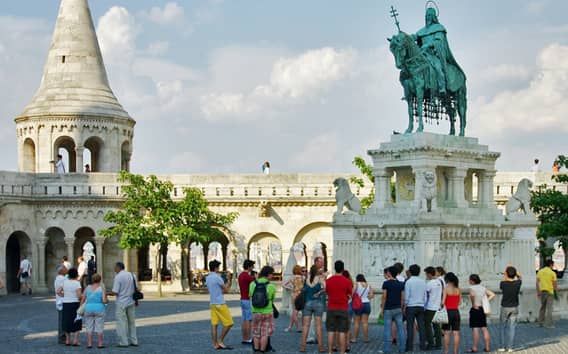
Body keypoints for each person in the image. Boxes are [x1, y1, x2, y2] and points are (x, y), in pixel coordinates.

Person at [413, 6, 464, 96]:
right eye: (426, 15)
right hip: (423, 54)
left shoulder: (439, 28)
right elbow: (415, 37)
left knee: (438, 68)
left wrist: (429, 44)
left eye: (429, 15)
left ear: (433, 17)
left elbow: (439, 41)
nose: (427, 17)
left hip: (434, 55)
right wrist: (405, 38)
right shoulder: (422, 30)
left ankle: (442, 87)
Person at [205, 259, 233, 350]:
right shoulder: (218, 278)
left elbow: (217, 290)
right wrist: (229, 280)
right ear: (216, 268)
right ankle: (220, 340)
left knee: (214, 324)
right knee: (229, 323)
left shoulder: (208, 278)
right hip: (220, 303)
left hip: (212, 303)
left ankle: (215, 344)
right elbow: (226, 290)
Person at [108, 262, 138, 347]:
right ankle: (134, 340)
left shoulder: (118, 277)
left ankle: (123, 342)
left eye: (115, 267)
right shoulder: (132, 275)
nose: (114, 269)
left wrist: (106, 293)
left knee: (121, 322)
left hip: (121, 302)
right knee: (131, 322)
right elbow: (137, 288)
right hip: (131, 301)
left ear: (118, 267)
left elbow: (115, 292)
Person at [325, 260, 352, 354]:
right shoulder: (347, 281)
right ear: (343, 269)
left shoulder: (328, 281)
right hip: (343, 308)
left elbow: (327, 292)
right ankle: (342, 352)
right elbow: (349, 294)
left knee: (330, 330)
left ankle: (329, 352)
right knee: (342, 331)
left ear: (334, 268)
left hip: (331, 307)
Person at [249, 266, 277, 353]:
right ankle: (262, 351)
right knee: (265, 334)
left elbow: (250, 296)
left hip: (255, 311)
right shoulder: (271, 286)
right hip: (267, 312)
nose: (272, 276)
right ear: (268, 274)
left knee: (256, 333)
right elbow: (272, 299)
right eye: (272, 274)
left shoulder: (252, 284)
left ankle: (256, 350)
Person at [300, 265, 326, 353]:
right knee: (318, 326)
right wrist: (319, 293)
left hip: (307, 303)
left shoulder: (306, 279)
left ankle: (303, 347)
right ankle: (321, 347)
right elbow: (325, 288)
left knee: (305, 326)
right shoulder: (320, 279)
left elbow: (303, 289)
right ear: (317, 271)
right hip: (318, 303)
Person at [380, 266, 405, 353]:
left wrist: (382, 309)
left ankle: (387, 349)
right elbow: (402, 298)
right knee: (401, 329)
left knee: (387, 329)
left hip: (388, 309)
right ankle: (402, 349)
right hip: (398, 308)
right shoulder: (401, 284)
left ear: (389, 273)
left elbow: (384, 297)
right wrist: (401, 308)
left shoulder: (386, 283)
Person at [468, 274, 496, 353]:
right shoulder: (483, 288)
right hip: (482, 309)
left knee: (475, 329)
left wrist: (473, 304)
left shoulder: (471, 288)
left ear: (472, 281)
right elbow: (492, 294)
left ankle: (474, 347)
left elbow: (472, 296)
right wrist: (486, 301)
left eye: (469, 280)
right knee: (484, 328)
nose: (469, 281)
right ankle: (487, 347)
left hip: (475, 309)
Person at [498, 266, 522, 352]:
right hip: (514, 307)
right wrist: (515, 273)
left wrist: (505, 273)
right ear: (515, 274)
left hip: (505, 306)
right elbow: (520, 277)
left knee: (502, 327)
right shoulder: (518, 283)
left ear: (506, 274)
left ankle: (502, 346)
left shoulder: (503, 284)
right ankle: (510, 347)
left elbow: (504, 280)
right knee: (512, 328)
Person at [404, 264, 427, 352]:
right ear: (419, 272)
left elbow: (407, 296)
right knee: (421, 327)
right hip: (421, 306)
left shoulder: (409, 282)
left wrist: (405, 306)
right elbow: (425, 295)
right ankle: (423, 346)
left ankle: (409, 347)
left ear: (410, 271)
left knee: (410, 327)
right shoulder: (423, 281)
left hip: (411, 306)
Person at [81, 273, 108, 348]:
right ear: (100, 280)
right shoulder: (101, 288)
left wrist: (80, 308)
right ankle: (100, 343)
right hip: (99, 308)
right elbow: (104, 300)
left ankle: (89, 344)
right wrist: (107, 300)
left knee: (89, 326)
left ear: (92, 280)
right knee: (99, 326)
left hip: (88, 308)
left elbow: (83, 299)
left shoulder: (87, 288)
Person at [60, 268, 82, 346]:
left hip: (66, 303)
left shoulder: (64, 282)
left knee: (66, 321)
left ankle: (68, 340)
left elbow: (58, 291)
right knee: (76, 320)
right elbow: (79, 295)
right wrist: (82, 298)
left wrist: (64, 295)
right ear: (76, 274)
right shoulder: (77, 283)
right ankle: (75, 340)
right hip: (75, 303)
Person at [424, 266, 443, 350]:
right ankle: (438, 344)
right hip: (437, 306)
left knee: (427, 326)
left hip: (430, 307)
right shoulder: (439, 282)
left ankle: (431, 343)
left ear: (429, 274)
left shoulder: (429, 283)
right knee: (437, 326)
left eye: (426, 274)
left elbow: (425, 295)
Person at [442, 272, 461, 354]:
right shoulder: (458, 289)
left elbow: (443, 302)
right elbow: (459, 302)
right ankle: (455, 352)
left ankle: (446, 352)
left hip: (447, 312)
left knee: (446, 333)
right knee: (456, 333)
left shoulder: (446, 288)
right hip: (456, 312)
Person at [352, 274, 373, 344]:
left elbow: (352, 292)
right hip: (366, 303)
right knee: (365, 322)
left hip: (358, 304)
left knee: (357, 322)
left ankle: (354, 338)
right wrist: (367, 298)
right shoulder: (368, 285)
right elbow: (371, 295)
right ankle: (366, 338)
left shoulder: (356, 284)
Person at [238, 259, 255, 344]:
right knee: (249, 320)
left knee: (244, 319)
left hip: (242, 298)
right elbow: (255, 282)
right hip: (247, 300)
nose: (253, 268)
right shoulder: (247, 276)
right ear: (249, 267)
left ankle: (244, 338)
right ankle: (248, 338)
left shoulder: (241, 275)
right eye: (252, 266)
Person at [536, 259, 557, 328]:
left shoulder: (540, 271)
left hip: (542, 292)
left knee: (542, 307)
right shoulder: (552, 273)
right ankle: (549, 324)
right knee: (549, 309)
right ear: (551, 265)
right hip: (550, 292)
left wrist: (538, 291)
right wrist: (555, 292)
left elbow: (537, 282)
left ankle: (540, 323)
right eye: (552, 265)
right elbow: (554, 284)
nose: (553, 267)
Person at [284, 265, 304, 333]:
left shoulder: (292, 278)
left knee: (294, 311)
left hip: (294, 294)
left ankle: (297, 327)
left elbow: (284, 285)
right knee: (295, 312)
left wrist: (290, 288)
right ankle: (292, 327)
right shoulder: (302, 277)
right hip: (301, 294)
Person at [54, 264, 68, 344]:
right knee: (62, 320)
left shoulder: (59, 278)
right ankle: (62, 337)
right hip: (62, 302)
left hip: (61, 302)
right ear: (61, 271)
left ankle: (63, 336)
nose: (67, 269)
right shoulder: (62, 279)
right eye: (65, 268)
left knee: (62, 319)